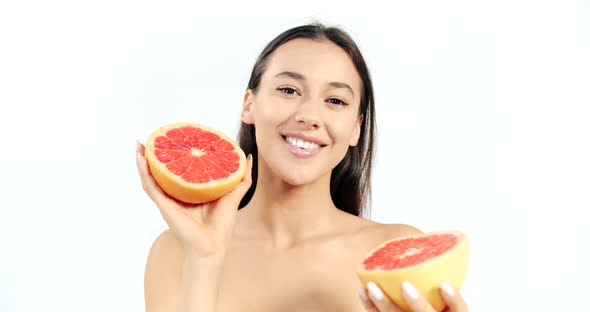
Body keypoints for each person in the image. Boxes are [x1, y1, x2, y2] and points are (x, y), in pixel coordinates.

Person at [136, 23, 469, 312]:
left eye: (335, 100)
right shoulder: (176, 250)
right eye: (288, 90)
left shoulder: (396, 252)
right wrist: (205, 260)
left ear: (356, 127)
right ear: (249, 104)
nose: (309, 115)